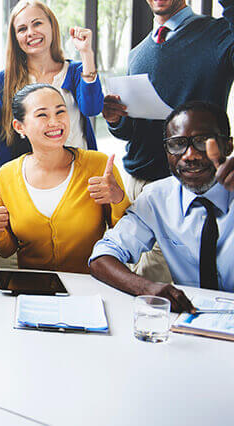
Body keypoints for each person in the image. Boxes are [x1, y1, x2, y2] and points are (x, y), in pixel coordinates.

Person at [102, 0, 234, 281]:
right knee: (126, 272)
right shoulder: (139, 53)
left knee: (155, 288)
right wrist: (116, 119)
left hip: (185, 182)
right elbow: (135, 130)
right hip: (136, 181)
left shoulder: (215, 34)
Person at [91, 101, 234, 311]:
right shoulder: (157, 199)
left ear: (228, 146)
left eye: (202, 141)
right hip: (194, 321)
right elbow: (102, 256)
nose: (189, 155)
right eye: (177, 144)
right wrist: (144, 287)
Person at [0, 84, 129, 273]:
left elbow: (127, 237)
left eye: (60, 112)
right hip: (34, 291)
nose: (55, 122)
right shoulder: (6, 175)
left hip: (91, 287)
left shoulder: (98, 165)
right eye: (42, 115)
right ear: (20, 126)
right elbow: (6, 250)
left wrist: (118, 199)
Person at [0, 0, 102, 168]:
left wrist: (86, 53)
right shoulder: (4, 80)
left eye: (37, 24)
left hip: (80, 173)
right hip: (33, 179)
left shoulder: (76, 71)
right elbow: (5, 140)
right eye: (22, 29)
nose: (30, 32)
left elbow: (92, 108)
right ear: (15, 38)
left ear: (52, 26)